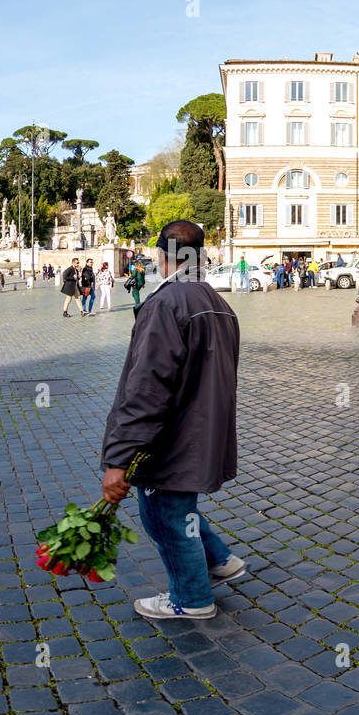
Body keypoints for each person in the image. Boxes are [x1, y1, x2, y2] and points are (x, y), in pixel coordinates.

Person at [100, 221, 247, 622]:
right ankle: (219, 560)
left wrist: (119, 458)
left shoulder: (165, 304)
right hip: (203, 427)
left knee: (164, 513)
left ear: (165, 258)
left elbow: (146, 388)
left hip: (173, 435)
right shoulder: (216, 300)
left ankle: (191, 597)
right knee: (179, 506)